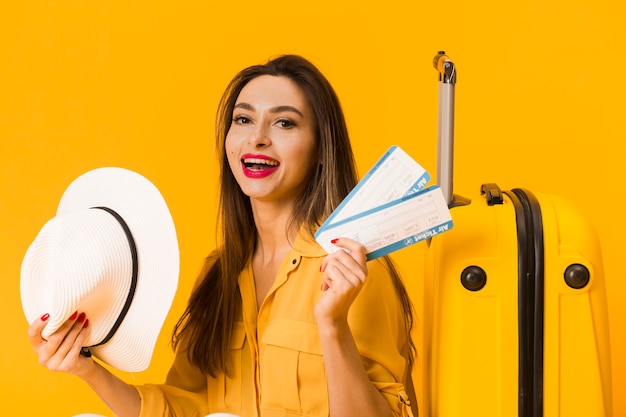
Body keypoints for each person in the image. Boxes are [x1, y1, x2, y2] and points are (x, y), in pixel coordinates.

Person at [28, 54, 416, 417]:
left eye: (284, 123)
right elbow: (183, 408)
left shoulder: (354, 269)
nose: (257, 138)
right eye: (243, 120)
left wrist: (332, 325)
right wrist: (85, 368)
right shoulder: (219, 273)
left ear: (320, 149)